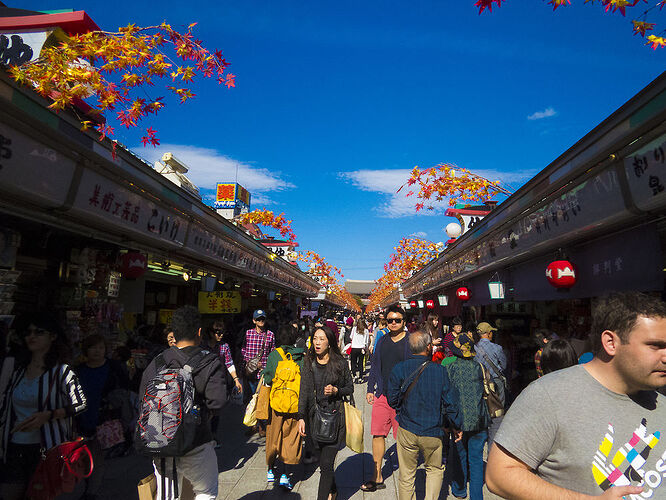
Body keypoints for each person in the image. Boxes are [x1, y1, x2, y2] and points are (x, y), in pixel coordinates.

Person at [486, 291, 666, 499]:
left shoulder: (659, 403)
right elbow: (499, 474)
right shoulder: (549, 395)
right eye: (655, 346)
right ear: (610, 343)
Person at [139, 306, 226, 500]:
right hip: (196, 441)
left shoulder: (157, 361)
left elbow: (142, 399)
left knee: (168, 496)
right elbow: (218, 403)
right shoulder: (209, 362)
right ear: (199, 332)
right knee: (205, 491)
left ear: (174, 334)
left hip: (160, 439)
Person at [0, 314, 87, 500]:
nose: (32, 336)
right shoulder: (16, 369)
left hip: (47, 449)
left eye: (39, 332)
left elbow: (80, 403)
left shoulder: (62, 372)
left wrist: (49, 415)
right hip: (14, 446)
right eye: (28, 332)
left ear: (53, 337)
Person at [387, 330, 462, 500]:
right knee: (434, 470)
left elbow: (392, 399)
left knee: (406, 475)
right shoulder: (440, 371)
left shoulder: (399, 369)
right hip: (433, 430)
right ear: (429, 347)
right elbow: (451, 402)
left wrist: (402, 407)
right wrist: (456, 425)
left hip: (407, 428)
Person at [298, 325, 353, 500]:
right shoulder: (308, 362)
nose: (317, 342)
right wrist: (301, 417)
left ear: (329, 342)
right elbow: (304, 391)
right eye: (315, 338)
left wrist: (336, 390)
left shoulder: (340, 363)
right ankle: (334, 489)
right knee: (324, 464)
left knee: (327, 463)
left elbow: (349, 387)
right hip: (314, 419)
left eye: (321, 339)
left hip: (335, 419)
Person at [364, 305, 412, 492]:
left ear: (404, 322)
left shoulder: (410, 341)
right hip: (383, 394)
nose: (393, 323)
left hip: (404, 397)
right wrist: (370, 388)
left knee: (403, 437)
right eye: (390, 320)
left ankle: (407, 476)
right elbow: (375, 364)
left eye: (397, 320)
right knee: (377, 433)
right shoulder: (382, 340)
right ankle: (377, 475)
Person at [443, 333, 490, 500]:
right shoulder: (480, 367)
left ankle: (460, 489)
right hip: (479, 419)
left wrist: (446, 422)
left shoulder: (449, 368)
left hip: (459, 420)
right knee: (476, 459)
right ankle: (476, 496)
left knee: (459, 455)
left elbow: (446, 397)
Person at [263, 325, 305, 491]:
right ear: (295, 338)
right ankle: (286, 476)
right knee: (290, 439)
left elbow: (268, 377)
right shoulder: (300, 356)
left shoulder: (274, 355)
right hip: (294, 406)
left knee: (273, 436)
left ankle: (271, 470)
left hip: (277, 404)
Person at [241, 309, 275, 438]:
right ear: (254, 320)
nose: (261, 321)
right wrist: (250, 363)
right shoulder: (248, 334)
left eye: (263, 319)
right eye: (259, 319)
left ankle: (262, 426)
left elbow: (272, 353)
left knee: (262, 399)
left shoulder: (270, 335)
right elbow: (243, 350)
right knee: (250, 400)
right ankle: (252, 425)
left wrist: (266, 367)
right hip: (250, 372)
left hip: (263, 374)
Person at [473, 321, 507, 443]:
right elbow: (504, 364)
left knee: (483, 406)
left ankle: (484, 432)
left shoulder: (474, 348)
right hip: (496, 381)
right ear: (488, 334)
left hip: (481, 381)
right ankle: (496, 436)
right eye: (491, 332)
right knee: (499, 408)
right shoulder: (497, 348)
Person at [350, 316, 369, 383]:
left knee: (353, 362)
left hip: (354, 347)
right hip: (362, 348)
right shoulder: (366, 330)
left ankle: (354, 375)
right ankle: (361, 377)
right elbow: (366, 341)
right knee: (360, 363)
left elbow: (351, 337)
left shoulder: (354, 329)